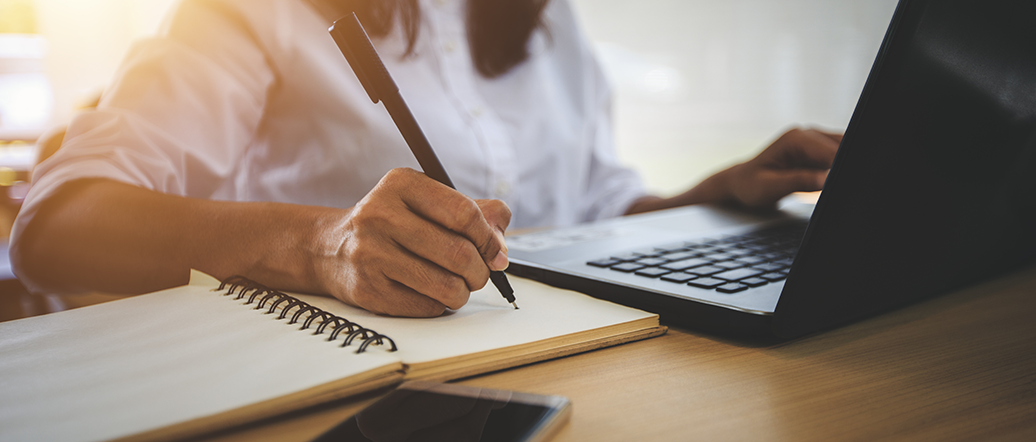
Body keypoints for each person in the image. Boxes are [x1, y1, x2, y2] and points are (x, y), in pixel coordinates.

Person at [10, 0, 840, 317]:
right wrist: (320, 245)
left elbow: (590, 206)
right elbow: (53, 226)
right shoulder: (252, 12)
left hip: (562, 367)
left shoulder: (547, 26)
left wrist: (722, 190)